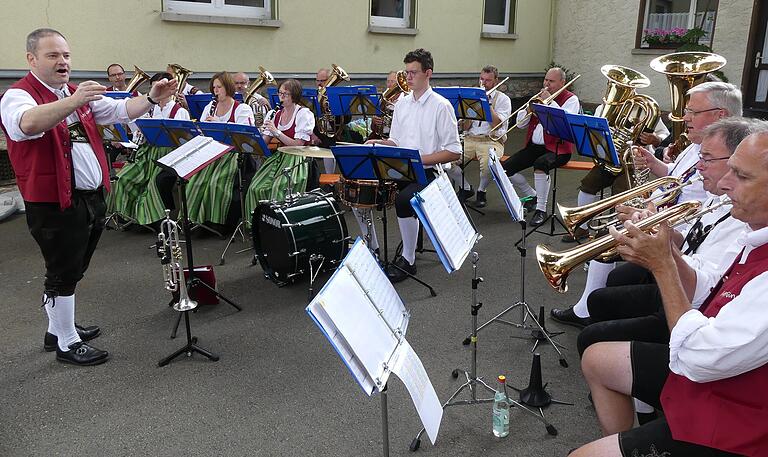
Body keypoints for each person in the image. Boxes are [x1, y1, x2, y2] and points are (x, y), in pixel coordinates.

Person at [571, 131, 768, 457]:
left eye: (742, 176)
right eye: (729, 169)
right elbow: (707, 287)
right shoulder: (753, 232)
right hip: (716, 372)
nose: (723, 184)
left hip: (741, 419)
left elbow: (697, 357)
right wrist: (666, 248)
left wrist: (662, 265)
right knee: (596, 358)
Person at [0, 28, 177, 366]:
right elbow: (25, 124)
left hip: (88, 198)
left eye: (65, 55)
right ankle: (67, 343)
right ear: (31, 59)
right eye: (53, 55)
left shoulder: (71, 93)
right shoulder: (19, 95)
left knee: (72, 268)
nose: (63, 62)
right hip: (53, 201)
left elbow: (122, 110)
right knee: (63, 271)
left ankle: (58, 328)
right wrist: (73, 100)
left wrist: (152, 98)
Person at [551, 81, 741, 328]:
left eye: (693, 112)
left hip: (681, 235)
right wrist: (654, 164)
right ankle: (596, 309)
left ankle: (589, 312)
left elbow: (701, 208)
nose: (685, 117)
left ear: (720, 115)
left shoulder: (722, 158)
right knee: (610, 252)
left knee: (606, 243)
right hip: (669, 220)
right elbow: (677, 176)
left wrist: (653, 213)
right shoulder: (696, 146)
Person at [365, 48, 462, 283]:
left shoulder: (441, 106)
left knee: (403, 199)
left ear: (428, 73)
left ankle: (408, 260)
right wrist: (379, 142)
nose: (408, 77)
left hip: (429, 172)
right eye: (406, 72)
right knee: (363, 185)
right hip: (402, 167)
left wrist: (418, 159)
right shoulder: (402, 104)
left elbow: (454, 151)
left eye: (413, 72)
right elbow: (397, 141)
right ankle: (372, 249)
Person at [563, 108, 669, 242]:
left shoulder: (646, 110)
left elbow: (665, 134)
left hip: (634, 164)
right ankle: (581, 227)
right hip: (610, 161)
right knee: (588, 184)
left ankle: (611, 231)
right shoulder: (604, 107)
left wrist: (655, 139)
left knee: (620, 192)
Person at [109, 72, 190, 227]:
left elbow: (183, 142)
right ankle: (129, 216)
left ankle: (154, 220)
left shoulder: (179, 112)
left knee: (154, 183)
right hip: (147, 153)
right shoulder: (148, 110)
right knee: (124, 178)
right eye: (154, 88)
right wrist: (140, 133)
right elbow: (136, 135)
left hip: (169, 155)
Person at [503, 67, 580, 227]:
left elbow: (565, 123)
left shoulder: (570, 99)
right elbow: (521, 125)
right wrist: (528, 109)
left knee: (541, 164)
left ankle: (541, 209)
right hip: (534, 147)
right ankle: (532, 195)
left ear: (562, 82)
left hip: (559, 148)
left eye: (551, 81)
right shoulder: (537, 97)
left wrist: (549, 102)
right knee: (505, 169)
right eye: (546, 80)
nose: (547, 84)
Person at [184, 71, 254, 230]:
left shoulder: (242, 109)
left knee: (215, 184)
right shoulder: (210, 107)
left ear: (228, 87)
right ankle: (196, 219)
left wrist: (219, 124)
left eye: (219, 87)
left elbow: (245, 136)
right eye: (214, 87)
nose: (216, 90)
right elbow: (201, 130)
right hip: (213, 153)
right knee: (195, 182)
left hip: (234, 156)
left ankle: (217, 223)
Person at [244, 78, 317, 219]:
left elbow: (298, 144)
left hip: (298, 159)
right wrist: (255, 134)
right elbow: (264, 143)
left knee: (279, 188)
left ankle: (281, 224)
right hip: (280, 157)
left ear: (294, 95)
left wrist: (276, 132)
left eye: (286, 94)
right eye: (280, 93)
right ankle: (257, 223)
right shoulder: (274, 114)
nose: (281, 97)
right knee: (255, 186)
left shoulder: (303, 114)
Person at [445, 65, 512, 208]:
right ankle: (466, 188)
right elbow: (465, 127)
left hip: (491, 140)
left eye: (488, 80)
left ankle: (482, 191)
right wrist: (467, 111)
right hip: (470, 139)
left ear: (496, 81)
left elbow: (498, 124)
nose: (483, 83)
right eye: (481, 79)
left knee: (489, 164)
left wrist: (487, 105)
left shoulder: (503, 99)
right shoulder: (472, 97)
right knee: (446, 162)